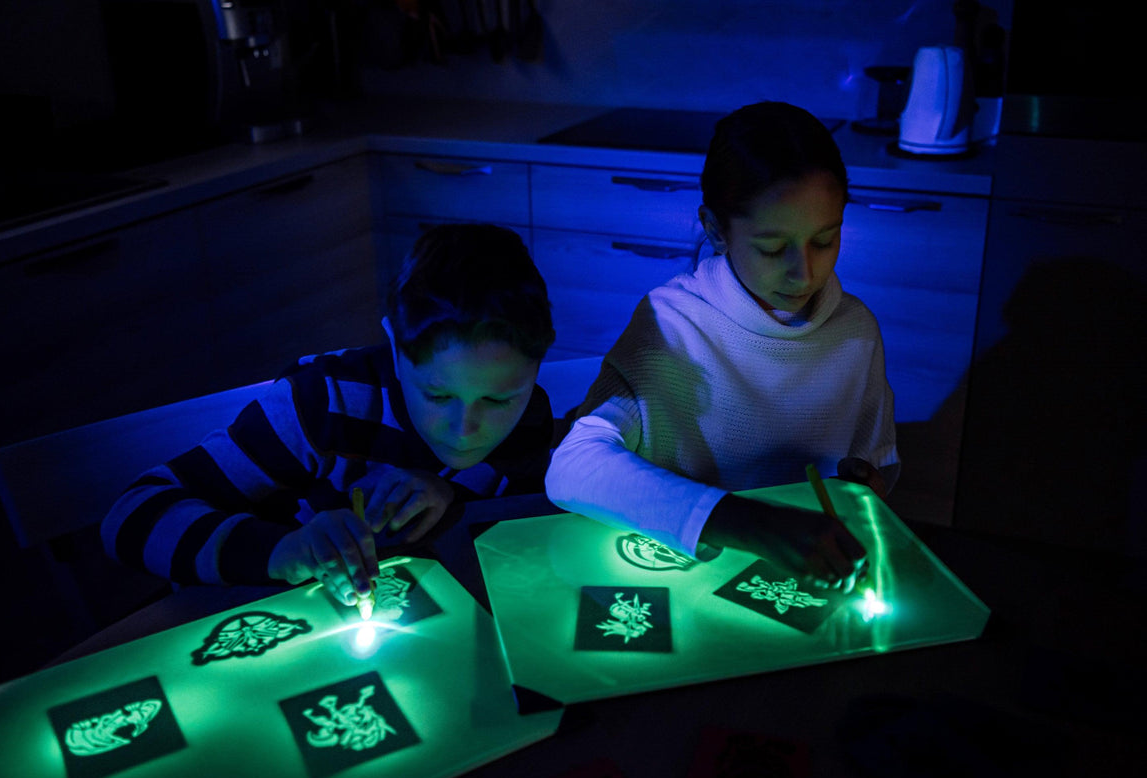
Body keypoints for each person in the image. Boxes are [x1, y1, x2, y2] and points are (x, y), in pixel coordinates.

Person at [103, 223, 556, 606]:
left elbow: (511, 544)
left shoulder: (530, 419)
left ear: (535, 368)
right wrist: (286, 549)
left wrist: (449, 494)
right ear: (396, 349)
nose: (466, 430)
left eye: (498, 401)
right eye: (437, 396)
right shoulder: (320, 404)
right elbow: (130, 517)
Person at [546, 101, 899, 592]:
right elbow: (572, 468)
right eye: (773, 248)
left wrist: (867, 491)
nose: (805, 272)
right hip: (679, 581)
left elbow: (877, 468)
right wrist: (755, 525)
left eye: (825, 239)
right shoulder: (672, 325)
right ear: (715, 229)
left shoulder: (855, 332)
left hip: (800, 589)